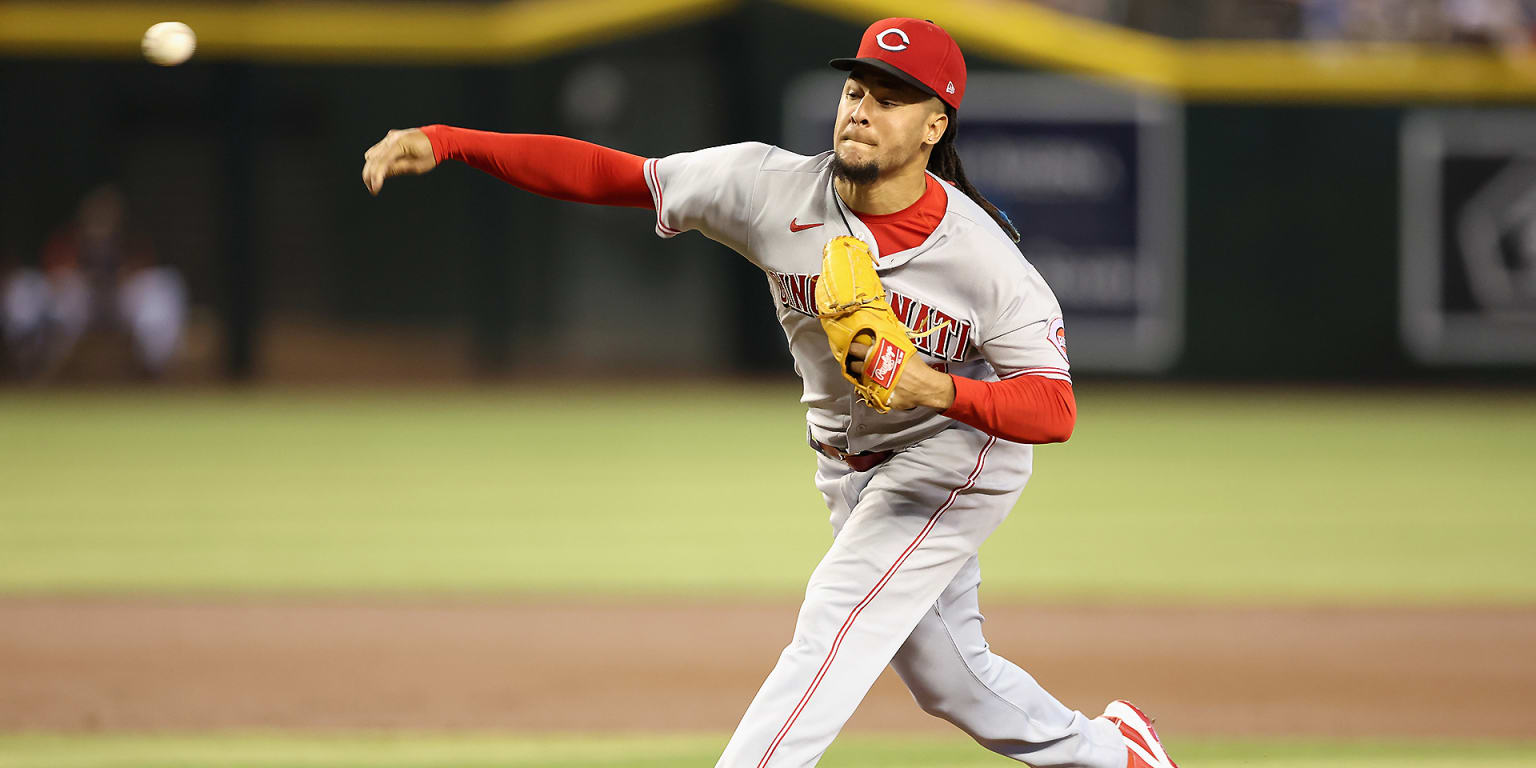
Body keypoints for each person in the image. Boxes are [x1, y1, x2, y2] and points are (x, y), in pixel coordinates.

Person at [362, 18, 1178, 768]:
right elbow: (619, 177)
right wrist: (452, 140)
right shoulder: (769, 187)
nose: (861, 110)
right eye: (856, 91)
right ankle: (1115, 754)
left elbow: (1054, 411)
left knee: (835, 623)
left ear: (936, 126)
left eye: (890, 100)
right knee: (950, 681)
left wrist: (930, 384)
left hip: (955, 453)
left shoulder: (985, 261)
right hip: (847, 463)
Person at [0, 184, 186, 379]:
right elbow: (55, 278)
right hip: (79, 305)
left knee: (165, 285)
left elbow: (142, 276)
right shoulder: (69, 241)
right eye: (97, 216)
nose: (102, 222)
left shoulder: (131, 242)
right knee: (34, 289)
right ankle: (34, 363)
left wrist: (116, 280)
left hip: (120, 302)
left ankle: (154, 369)